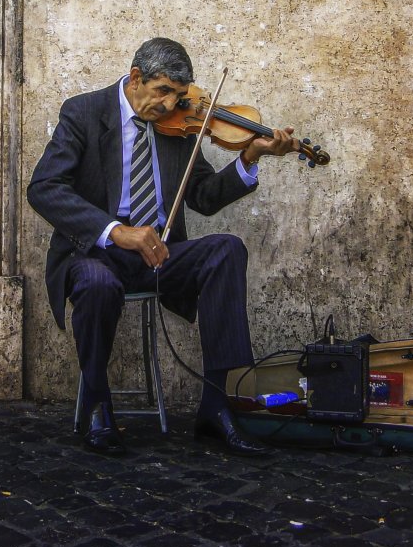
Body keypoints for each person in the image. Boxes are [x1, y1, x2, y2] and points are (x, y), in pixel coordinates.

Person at [27, 37, 296, 457]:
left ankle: (218, 406)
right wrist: (115, 230)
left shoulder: (177, 127)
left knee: (227, 249)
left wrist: (249, 159)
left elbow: (203, 196)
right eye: (163, 92)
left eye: (179, 95)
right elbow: (44, 188)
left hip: (160, 255)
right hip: (96, 254)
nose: (171, 106)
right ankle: (98, 402)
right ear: (136, 78)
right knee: (97, 283)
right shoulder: (83, 112)